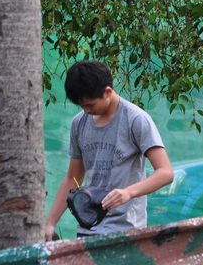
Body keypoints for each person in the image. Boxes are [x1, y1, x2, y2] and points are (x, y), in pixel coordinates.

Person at [45, 60, 173, 240]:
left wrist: (128, 192)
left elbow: (165, 173)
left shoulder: (136, 119)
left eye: (90, 105)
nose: (86, 111)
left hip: (125, 230)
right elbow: (73, 178)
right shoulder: (79, 123)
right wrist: (50, 223)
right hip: (88, 227)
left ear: (107, 92)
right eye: (81, 106)